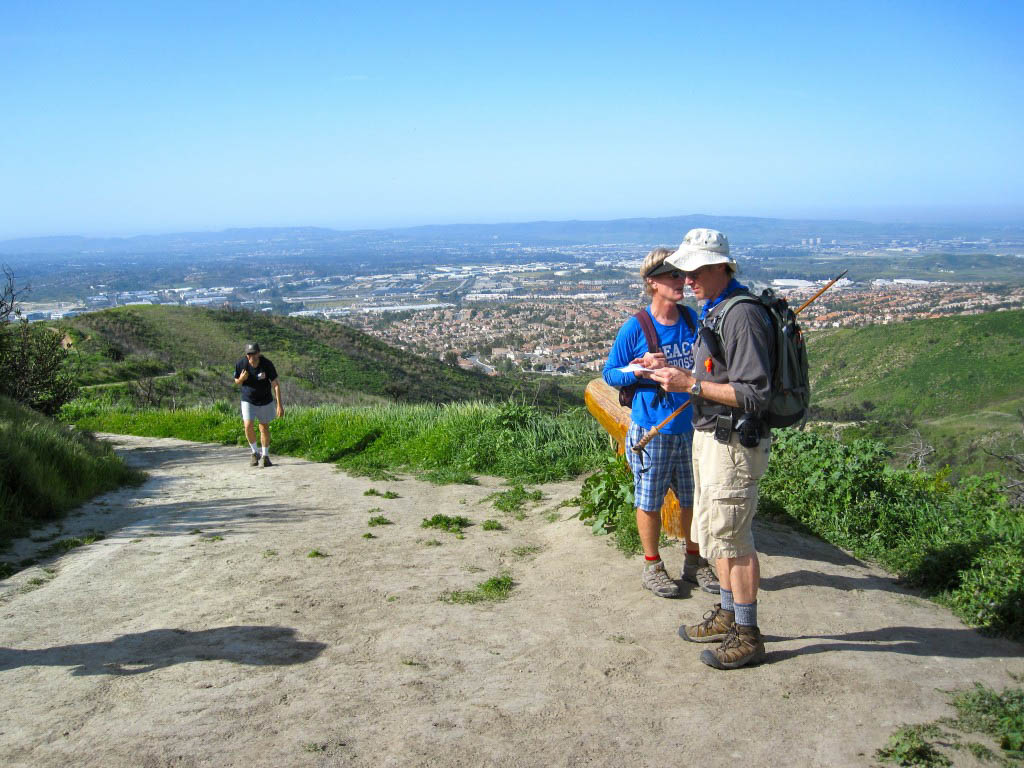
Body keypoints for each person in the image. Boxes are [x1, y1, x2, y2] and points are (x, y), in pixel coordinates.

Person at [650, 228, 774, 669]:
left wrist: (692, 385)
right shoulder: (716, 309)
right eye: (685, 270)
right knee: (716, 535)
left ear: (722, 266)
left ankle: (748, 634)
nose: (688, 279)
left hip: (734, 443)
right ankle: (728, 614)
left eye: (696, 269)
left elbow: (756, 394)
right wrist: (672, 370)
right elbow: (717, 373)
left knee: (733, 539)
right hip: (712, 437)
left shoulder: (740, 316)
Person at [603, 247, 719, 599]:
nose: (681, 281)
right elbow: (611, 374)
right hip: (652, 428)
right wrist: (639, 370)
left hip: (690, 425)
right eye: (673, 275)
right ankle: (652, 565)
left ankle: (694, 561)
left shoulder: (690, 319)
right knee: (649, 500)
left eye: (682, 275)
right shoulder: (636, 327)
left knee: (692, 499)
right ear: (652, 282)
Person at [233, 341, 284, 468]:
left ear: (259, 353)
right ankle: (255, 452)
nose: (252, 357)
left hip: (265, 399)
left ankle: (265, 456)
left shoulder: (267, 364)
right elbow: (236, 381)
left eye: (254, 353)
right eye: (249, 354)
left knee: (263, 427)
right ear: (246, 355)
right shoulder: (241, 364)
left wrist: (279, 405)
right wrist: (241, 379)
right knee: (248, 425)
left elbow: (276, 384)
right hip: (248, 399)